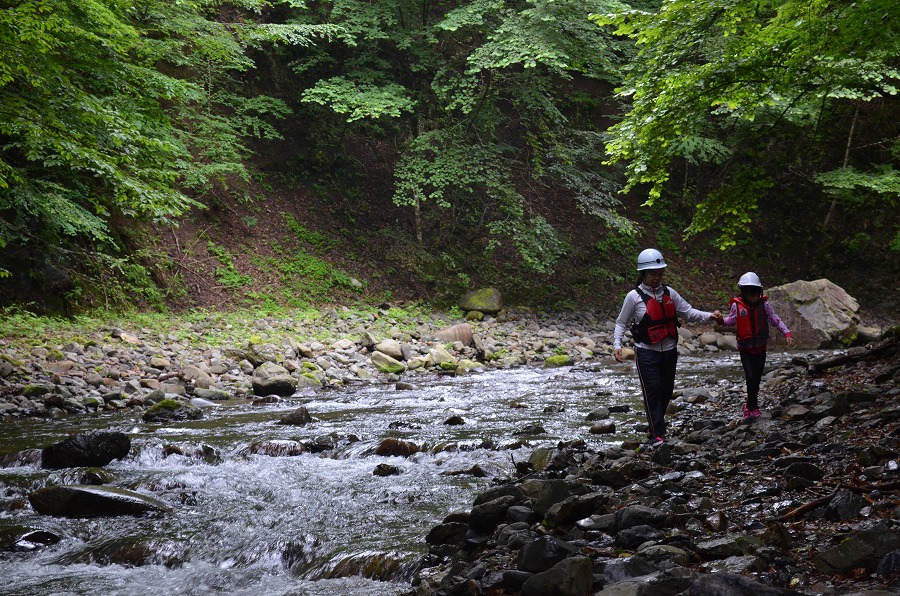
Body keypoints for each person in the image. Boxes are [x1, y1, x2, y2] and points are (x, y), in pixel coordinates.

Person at [613, 249, 722, 447]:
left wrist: (710, 316)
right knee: (652, 390)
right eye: (652, 273)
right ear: (643, 274)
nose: (656, 277)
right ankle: (657, 434)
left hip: (669, 350)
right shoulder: (633, 297)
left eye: (659, 273)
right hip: (646, 351)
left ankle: (655, 425)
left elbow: (689, 312)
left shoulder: (670, 293)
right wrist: (617, 344)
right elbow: (621, 322)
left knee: (666, 391)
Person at [721, 272, 795, 421]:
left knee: (757, 378)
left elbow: (775, 319)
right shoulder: (737, 306)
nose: (754, 296)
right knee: (750, 376)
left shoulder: (764, 306)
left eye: (756, 293)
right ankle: (751, 406)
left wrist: (787, 333)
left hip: (760, 348)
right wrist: (720, 321)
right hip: (745, 349)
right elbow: (730, 321)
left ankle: (752, 406)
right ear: (743, 292)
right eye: (750, 293)